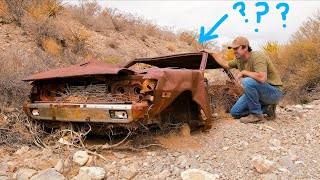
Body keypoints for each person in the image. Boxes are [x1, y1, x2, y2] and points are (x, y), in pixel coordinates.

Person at [204, 36, 283, 123]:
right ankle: (267, 109)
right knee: (235, 112)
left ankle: (256, 114)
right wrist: (212, 53)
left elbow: (262, 78)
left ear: (245, 47)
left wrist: (244, 72)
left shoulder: (258, 56)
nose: (234, 52)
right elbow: (225, 64)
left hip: (273, 92)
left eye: (236, 49)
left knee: (247, 81)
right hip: (259, 93)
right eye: (233, 49)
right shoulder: (239, 60)